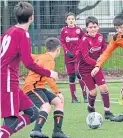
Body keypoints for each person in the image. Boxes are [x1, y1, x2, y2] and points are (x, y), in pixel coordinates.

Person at [0, 2, 58, 138]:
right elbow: (28, 63)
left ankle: (4, 132)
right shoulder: (22, 35)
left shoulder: (10, 31)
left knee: (33, 113)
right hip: (7, 80)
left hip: (9, 80)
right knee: (11, 121)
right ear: (32, 17)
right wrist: (49, 73)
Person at [22, 37, 69, 138]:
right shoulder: (49, 60)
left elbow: (31, 57)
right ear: (58, 50)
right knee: (46, 106)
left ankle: (57, 132)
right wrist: (58, 92)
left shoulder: (42, 56)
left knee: (58, 102)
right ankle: (36, 131)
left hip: (39, 87)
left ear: (46, 48)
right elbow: (49, 77)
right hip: (31, 87)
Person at [78, 16, 114, 120]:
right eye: (90, 27)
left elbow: (104, 50)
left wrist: (100, 62)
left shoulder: (101, 37)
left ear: (98, 27)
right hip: (85, 69)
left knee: (104, 88)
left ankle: (107, 112)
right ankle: (91, 107)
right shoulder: (84, 40)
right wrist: (97, 64)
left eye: (95, 26)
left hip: (96, 67)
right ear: (86, 29)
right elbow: (85, 57)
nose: (93, 29)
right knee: (93, 92)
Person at [60, 12, 87, 103]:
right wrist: (67, 51)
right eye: (69, 19)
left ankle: (85, 96)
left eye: (72, 19)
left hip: (78, 57)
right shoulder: (64, 30)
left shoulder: (79, 30)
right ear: (66, 21)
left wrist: (78, 51)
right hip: (69, 57)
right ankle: (74, 98)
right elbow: (62, 42)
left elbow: (83, 40)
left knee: (80, 75)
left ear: (75, 20)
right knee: (72, 77)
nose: (71, 20)